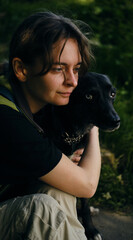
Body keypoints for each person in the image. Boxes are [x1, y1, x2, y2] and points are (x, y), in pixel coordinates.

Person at [0, 11, 101, 240]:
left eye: (75, 69)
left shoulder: (29, 109)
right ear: (21, 69)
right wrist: (93, 124)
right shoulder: (8, 120)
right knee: (42, 208)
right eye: (58, 69)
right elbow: (87, 185)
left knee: (59, 189)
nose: (73, 81)